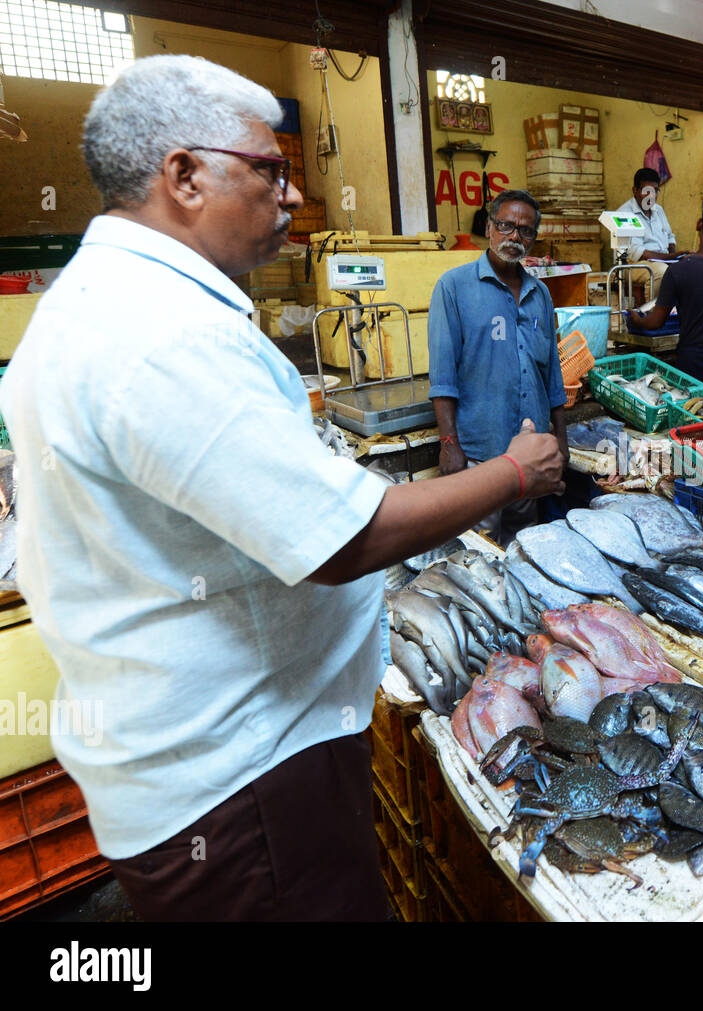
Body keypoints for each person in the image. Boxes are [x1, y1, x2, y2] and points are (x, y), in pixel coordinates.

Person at [0, 55, 564, 922]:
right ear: (183, 175)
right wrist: (513, 471)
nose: (294, 196)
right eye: (270, 171)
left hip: (228, 762)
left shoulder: (115, 300)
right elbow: (346, 540)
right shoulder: (157, 331)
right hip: (239, 784)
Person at [429, 188, 569, 545]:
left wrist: (561, 441)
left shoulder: (542, 294)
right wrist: (449, 444)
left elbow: (552, 375)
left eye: (525, 230)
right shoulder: (453, 287)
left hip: (531, 453)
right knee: (479, 553)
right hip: (480, 455)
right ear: (489, 227)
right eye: (505, 225)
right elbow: (443, 376)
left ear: (534, 238)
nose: (514, 237)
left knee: (527, 550)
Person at [629, 195, 703, 388]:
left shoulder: (677, 271)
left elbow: (656, 322)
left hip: (692, 371)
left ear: (699, 224)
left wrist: (637, 319)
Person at [614, 167, 679, 286]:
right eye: (646, 191)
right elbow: (638, 253)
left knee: (692, 268)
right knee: (661, 272)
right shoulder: (624, 214)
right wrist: (670, 257)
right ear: (635, 190)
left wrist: (674, 259)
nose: (651, 196)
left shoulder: (658, 210)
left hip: (664, 260)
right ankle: (656, 305)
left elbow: (670, 237)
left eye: (655, 190)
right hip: (634, 265)